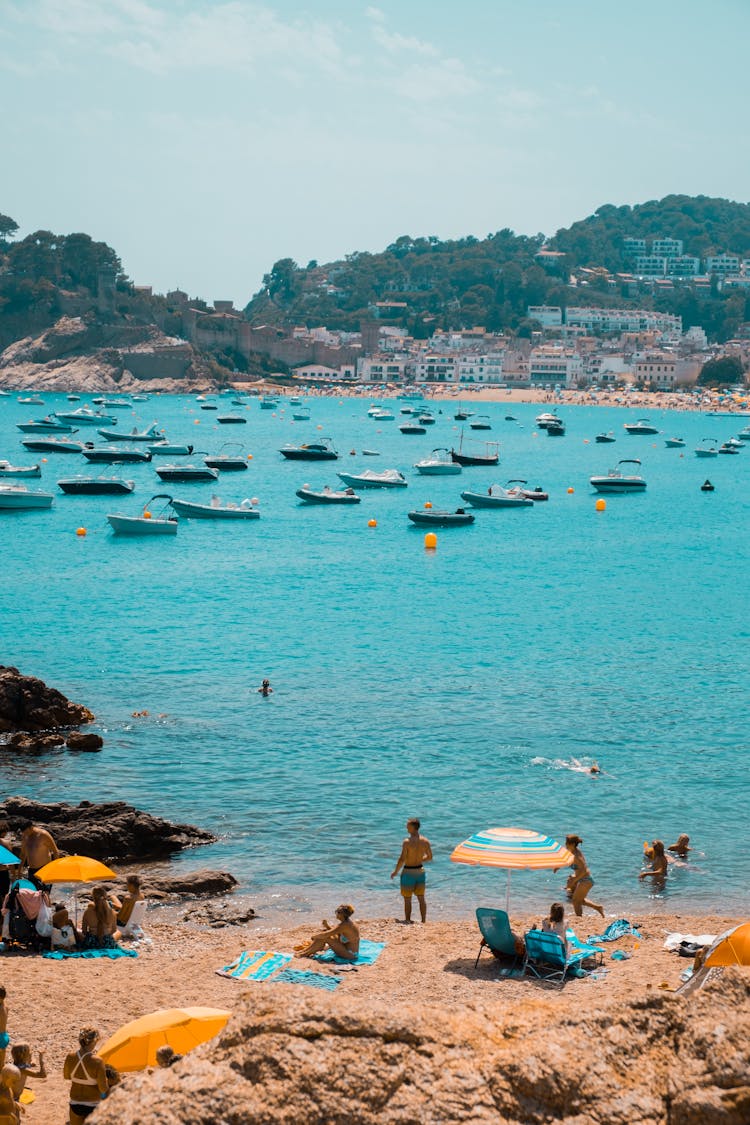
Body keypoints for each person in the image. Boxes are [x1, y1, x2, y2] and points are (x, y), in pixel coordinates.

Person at [391, 818, 433, 923]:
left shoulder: (407, 842)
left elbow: (402, 859)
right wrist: (419, 859)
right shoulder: (426, 841)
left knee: (407, 898)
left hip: (408, 872)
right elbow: (429, 857)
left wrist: (395, 871)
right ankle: (423, 920)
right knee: (421, 897)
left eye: (408, 826)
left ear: (413, 827)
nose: (406, 827)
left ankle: (408, 919)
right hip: (420, 871)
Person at [63, 1028, 108, 1124]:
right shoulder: (97, 1061)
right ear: (95, 1040)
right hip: (93, 1105)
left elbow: (66, 1076)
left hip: (75, 1103)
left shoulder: (70, 1057)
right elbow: (103, 1089)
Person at [563, 835, 605, 918]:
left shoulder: (577, 856)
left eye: (567, 843)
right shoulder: (572, 852)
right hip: (582, 879)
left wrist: (575, 880)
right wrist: (557, 866)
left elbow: (585, 871)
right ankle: (598, 907)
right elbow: (566, 859)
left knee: (575, 901)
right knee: (579, 900)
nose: (565, 844)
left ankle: (579, 918)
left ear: (572, 844)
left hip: (586, 880)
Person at [80, 886, 119, 950]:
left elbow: (84, 931)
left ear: (93, 897)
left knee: (78, 933)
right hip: (107, 942)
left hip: (92, 943)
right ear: (105, 896)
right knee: (118, 932)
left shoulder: (88, 911)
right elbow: (113, 930)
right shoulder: (112, 912)